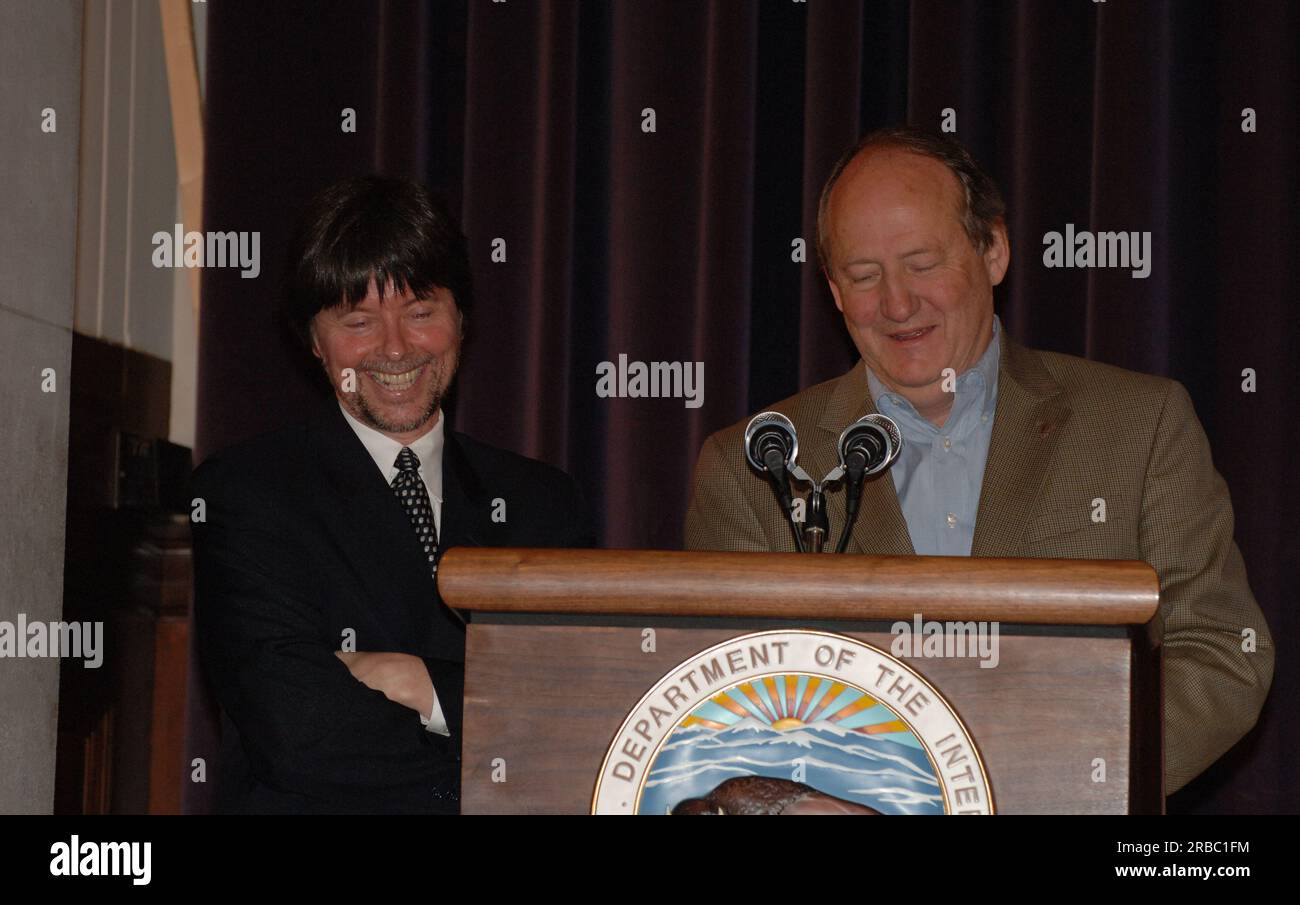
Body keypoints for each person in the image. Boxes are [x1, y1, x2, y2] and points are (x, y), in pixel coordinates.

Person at [684, 126, 1273, 795]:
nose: (898, 304)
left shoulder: (1138, 425)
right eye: (863, 275)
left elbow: (1223, 653)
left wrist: (1043, 776)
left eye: (922, 263)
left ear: (993, 250)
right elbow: (722, 712)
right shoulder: (751, 466)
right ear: (833, 289)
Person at [192, 176, 593, 813]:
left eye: (420, 311)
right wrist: (483, 735)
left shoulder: (543, 504)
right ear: (315, 341)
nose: (396, 348)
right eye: (358, 321)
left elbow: (579, 715)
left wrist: (423, 683)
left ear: (462, 318)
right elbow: (298, 733)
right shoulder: (246, 494)